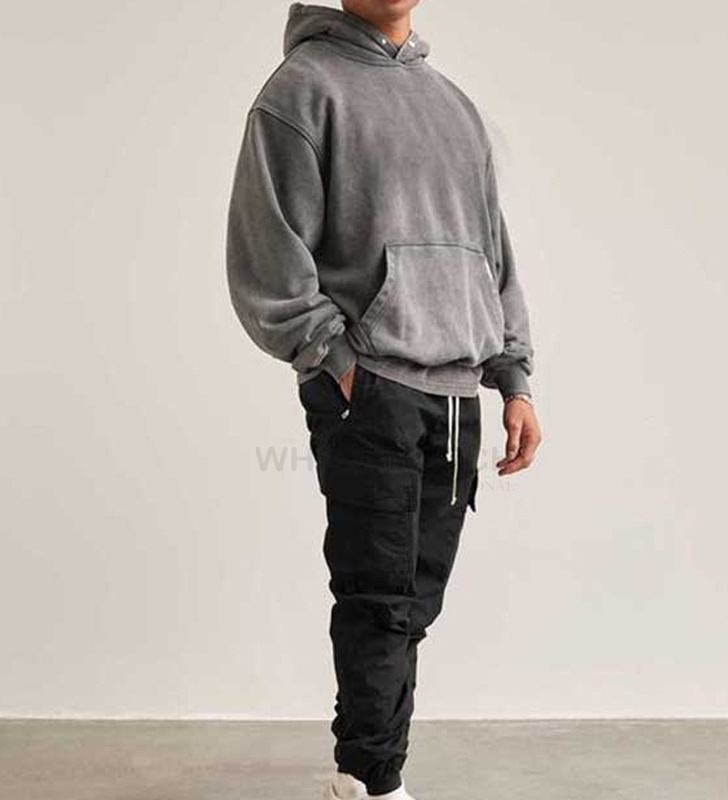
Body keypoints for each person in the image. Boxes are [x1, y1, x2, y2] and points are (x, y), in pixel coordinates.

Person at [226, 2, 542, 798]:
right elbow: (267, 249)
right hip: (370, 385)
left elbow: (493, 254)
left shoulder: (453, 105)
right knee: (378, 596)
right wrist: (334, 362)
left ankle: (364, 772)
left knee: (414, 604)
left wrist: (513, 378)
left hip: (459, 392)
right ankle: (372, 780)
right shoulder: (302, 90)